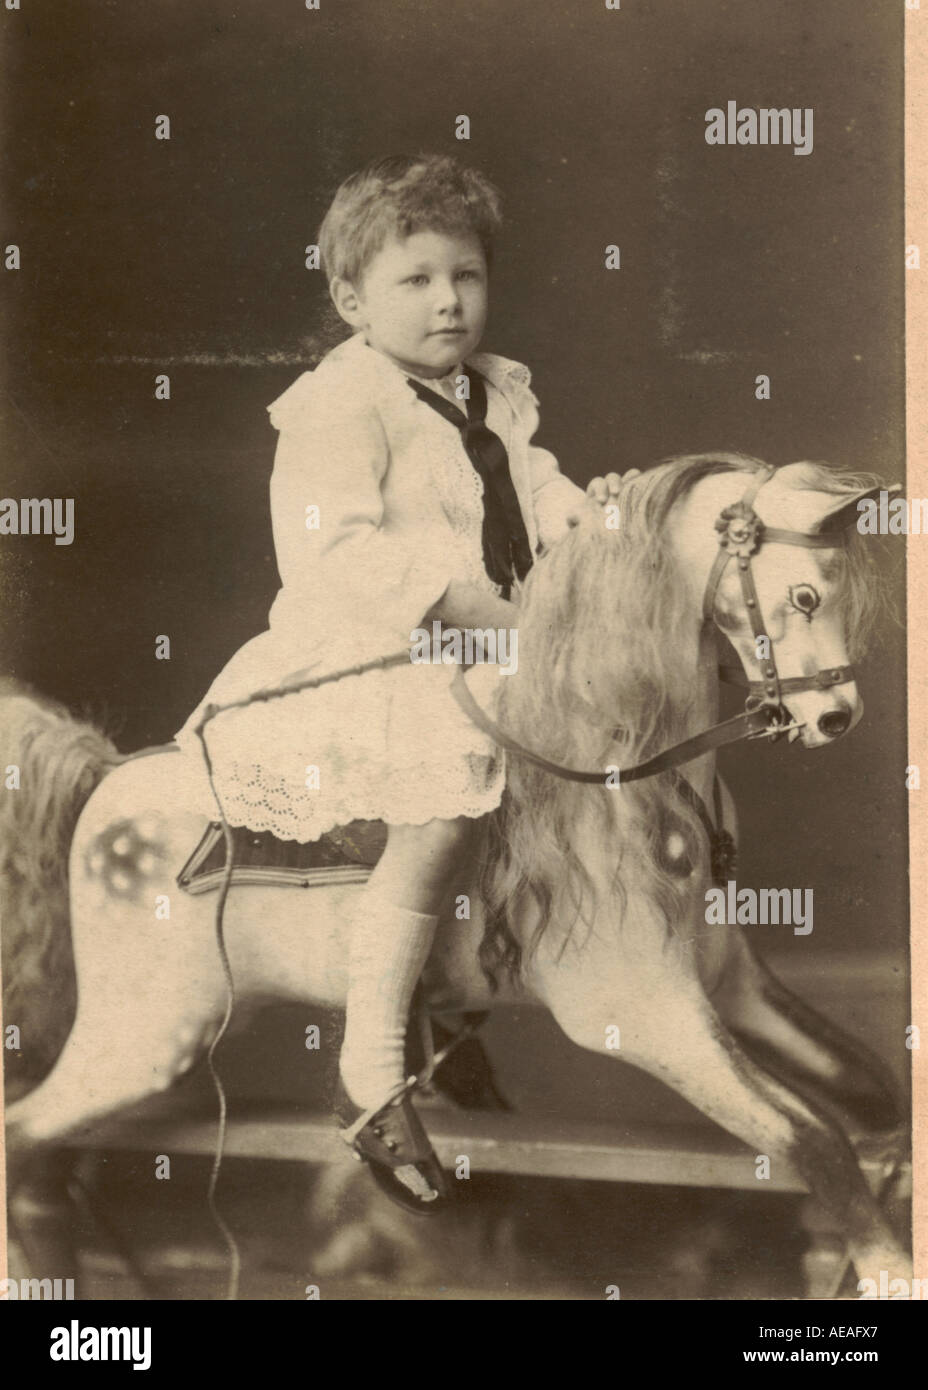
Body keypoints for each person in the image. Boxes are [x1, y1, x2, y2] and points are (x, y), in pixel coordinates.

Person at [175, 153, 626, 1210]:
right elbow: (334, 556)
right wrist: (477, 610)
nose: (448, 302)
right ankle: (370, 1075)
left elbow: (536, 486)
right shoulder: (337, 404)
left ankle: (448, 1011)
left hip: (490, 649)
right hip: (372, 651)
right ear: (350, 299)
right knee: (438, 809)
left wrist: (592, 518)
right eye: (415, 281)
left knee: (572, 761)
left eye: (464, 276)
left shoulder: (492, 392)